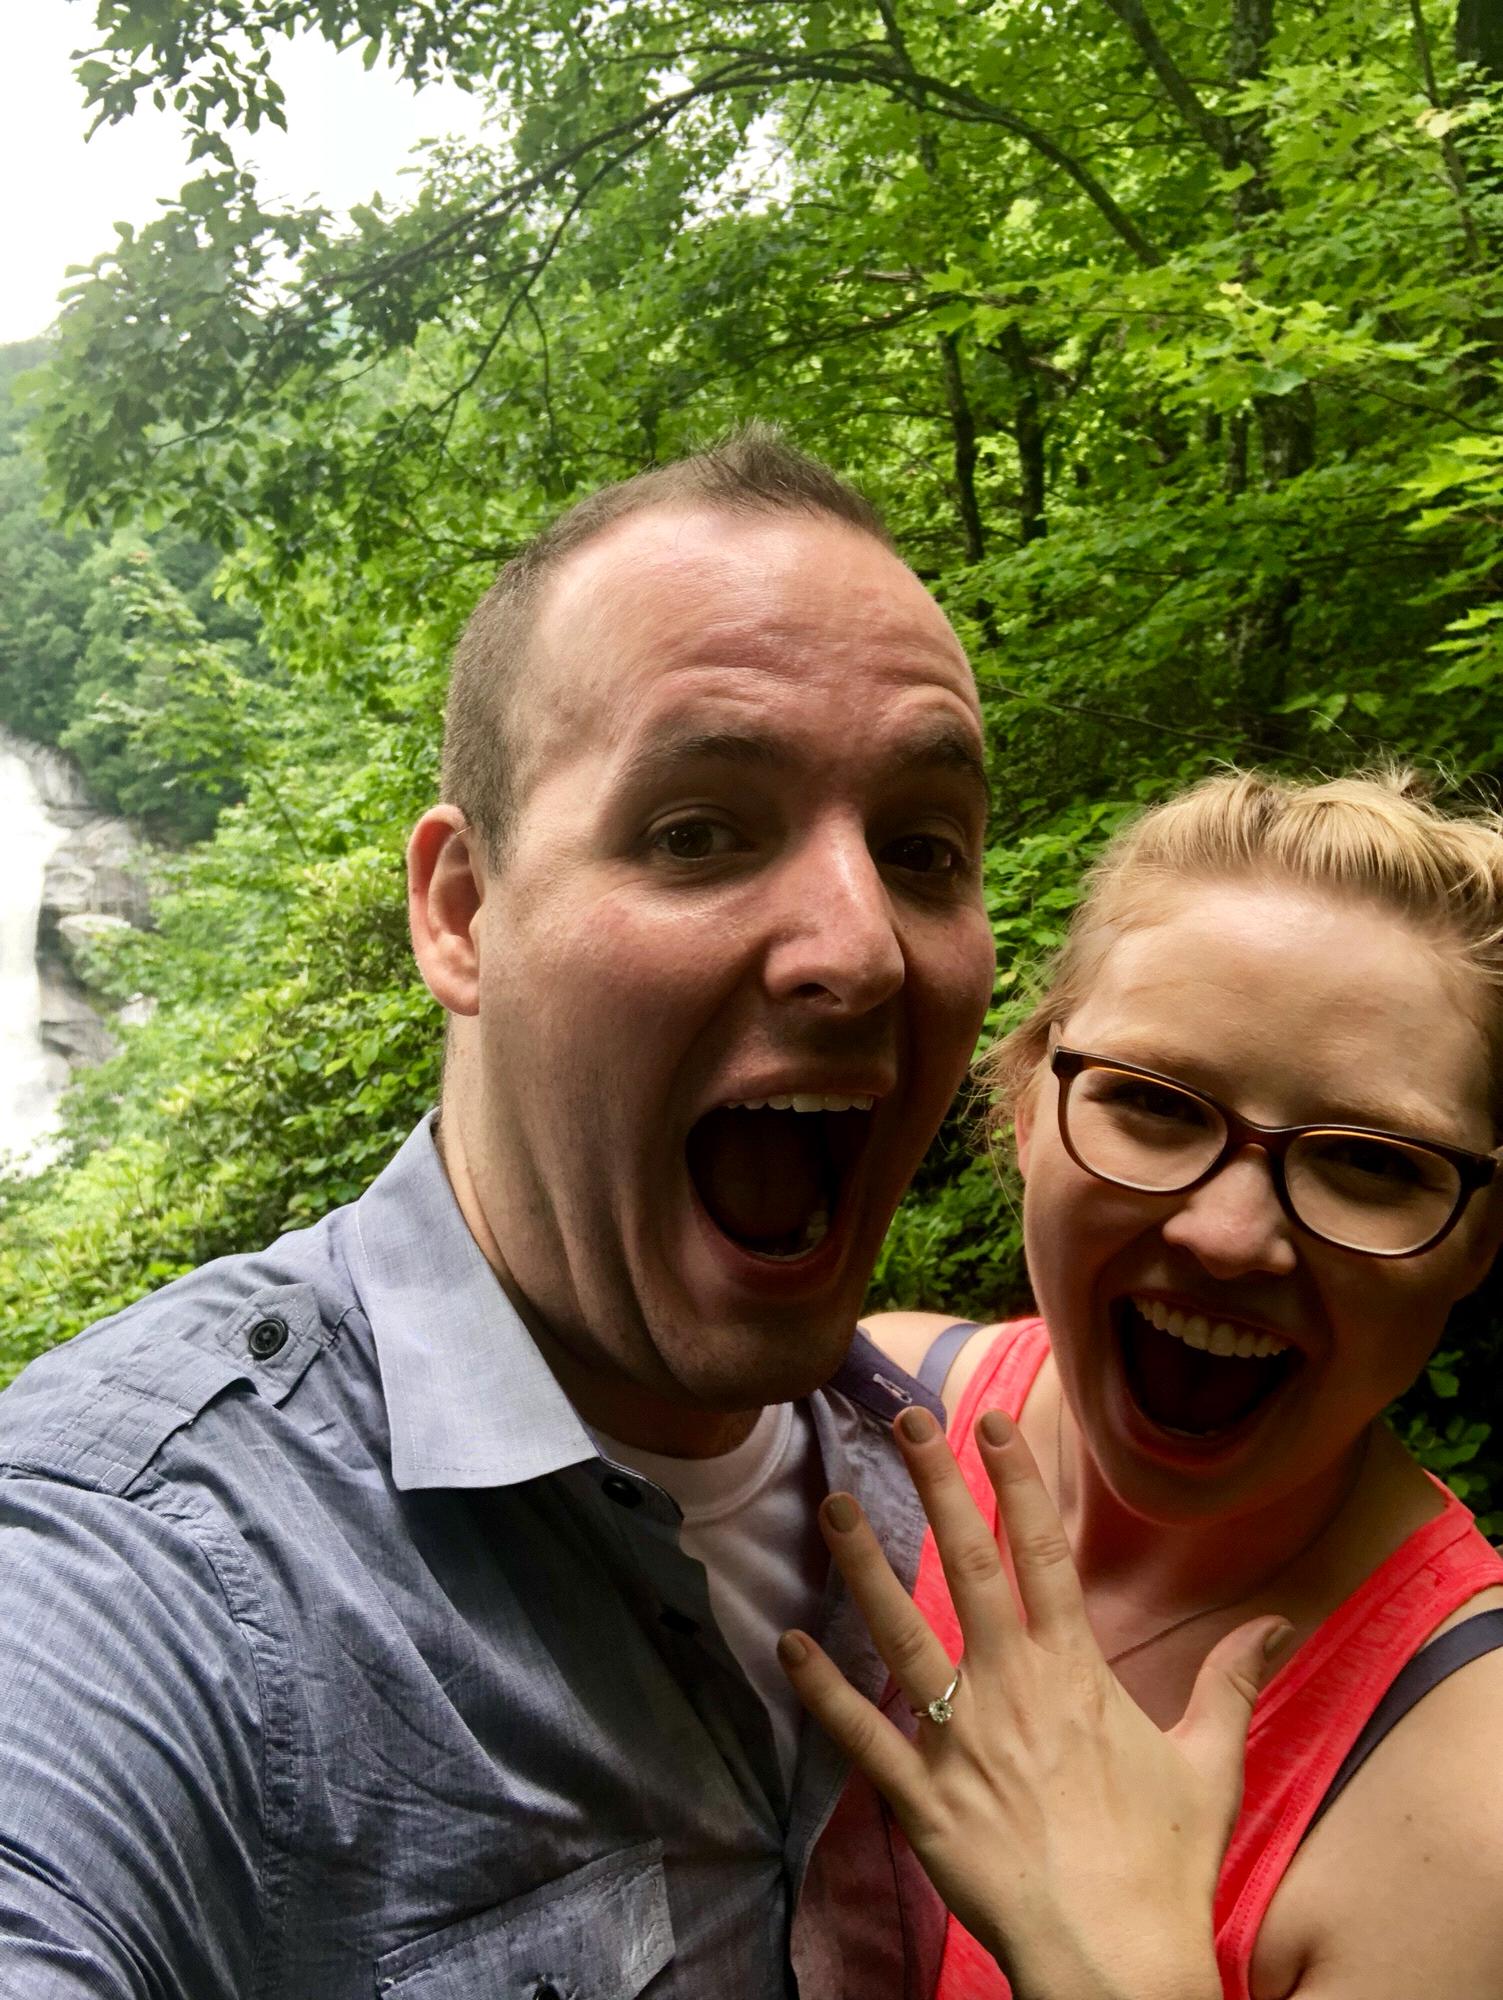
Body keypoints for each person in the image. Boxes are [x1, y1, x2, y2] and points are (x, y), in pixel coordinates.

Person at [0, 431, 1006, 1997]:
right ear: (462, 913)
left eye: (921, 848)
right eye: (699, 832)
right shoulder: (149, 1551)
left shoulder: (929, 1492)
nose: (858, 948)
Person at [780, 769, 1503, 1999]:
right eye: (1156, 1104)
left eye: (1372, 1163)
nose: (1229, 1236)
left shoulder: (1464, 1797)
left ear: (1476, 1240)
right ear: (1025, 1106)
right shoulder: (852, 1416)